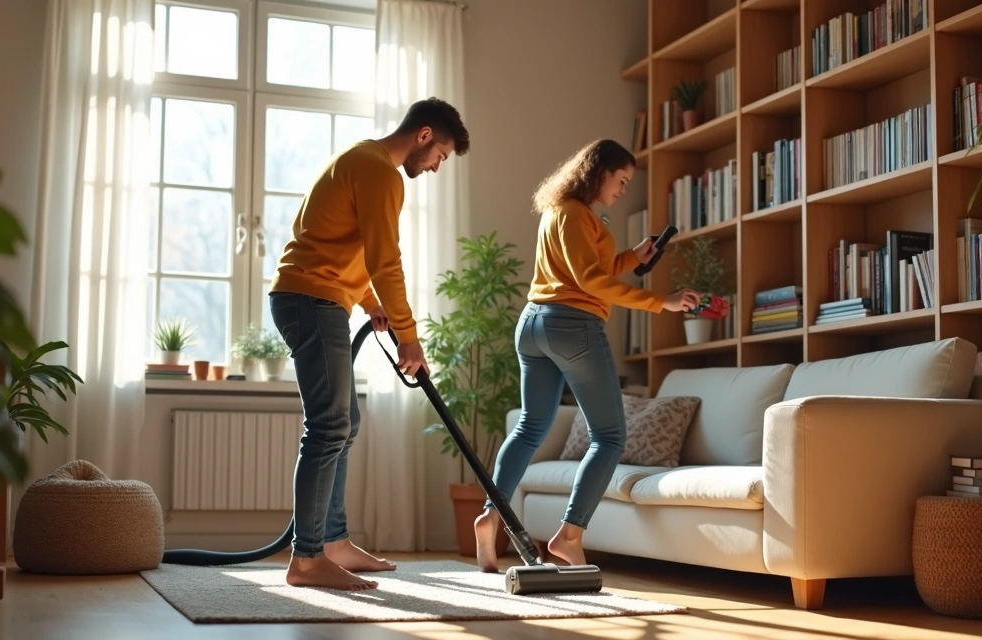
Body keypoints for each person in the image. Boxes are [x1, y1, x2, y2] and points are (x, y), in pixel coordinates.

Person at [269, 97, 470, 591]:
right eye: (441, 154)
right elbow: (385, 259)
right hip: (312, 301)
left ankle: (333, 542)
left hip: (315, 298)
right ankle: (307, 558)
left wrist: (367, 301)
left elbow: (333, 241)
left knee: (343, 422)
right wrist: (410, 339)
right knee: (329, 425)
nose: (438, 166)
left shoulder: (356, 159)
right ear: (423, 136)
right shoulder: (381, 172)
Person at [473, 139, 700, 573]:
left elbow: (583, 270)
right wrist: (660, 302)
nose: (622, 190)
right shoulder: (578, 214)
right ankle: (570, 534)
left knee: (529, 427)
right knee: (610, 437)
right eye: (621, 181)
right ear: (598, 173)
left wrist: (632, 257)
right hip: (573, 327)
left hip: (534, 324)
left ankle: (491, 514)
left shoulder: (558, 211)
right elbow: (589, 282)